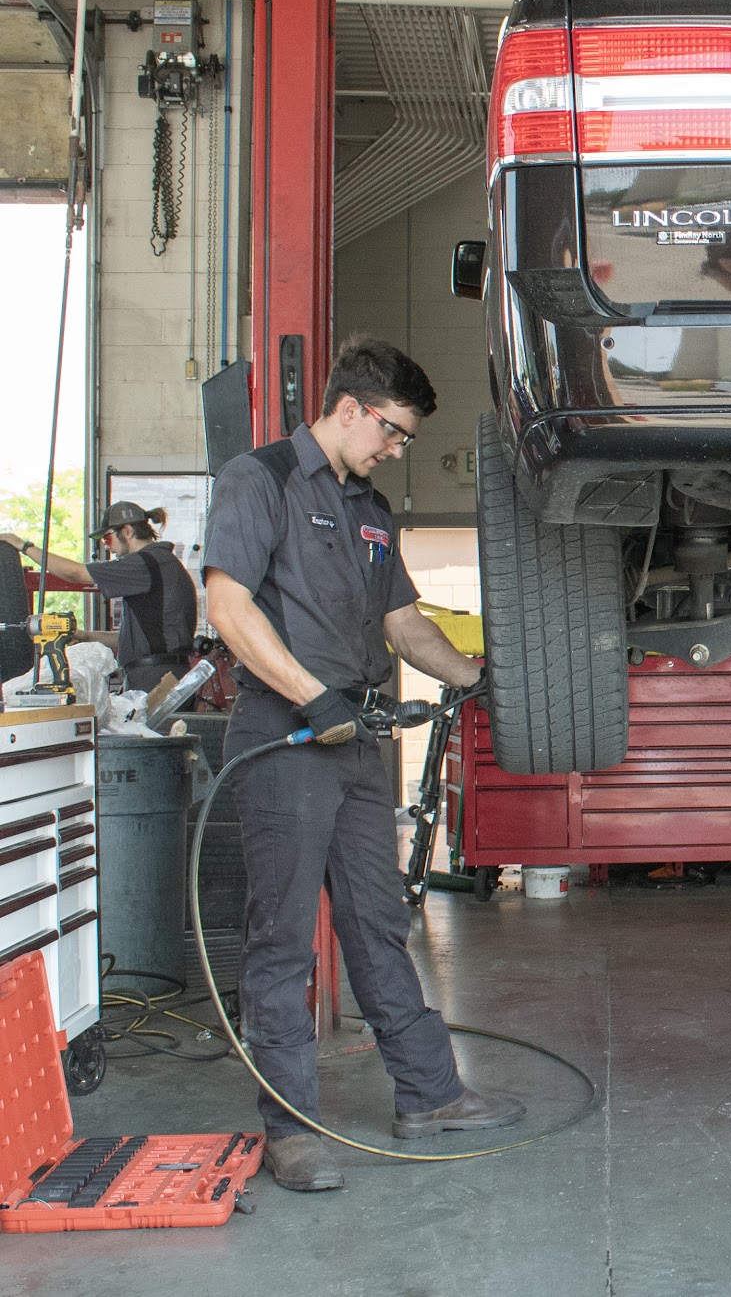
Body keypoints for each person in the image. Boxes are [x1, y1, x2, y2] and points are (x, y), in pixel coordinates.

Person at [203, 335, 523, 1193]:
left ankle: (430, 1094)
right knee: (281, 940)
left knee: (378, 924)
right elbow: (229, 606)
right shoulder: (260, 480)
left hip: (356, 740)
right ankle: (292, 1130)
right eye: (394, 431)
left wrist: (481, 682)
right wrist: (313, 700)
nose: (397, 449)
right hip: (285, 737)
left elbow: (404, 625)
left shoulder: (371, 509)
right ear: (350, 408)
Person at [3, 502, 198, 690]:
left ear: (127, 531)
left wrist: (24, 546)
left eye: (107, 539)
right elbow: (134, 642)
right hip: (161, 671)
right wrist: (88, 636)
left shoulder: (145, 563)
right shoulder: (161, 562)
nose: (106, 546)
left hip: (155, 676)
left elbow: (75, 573)